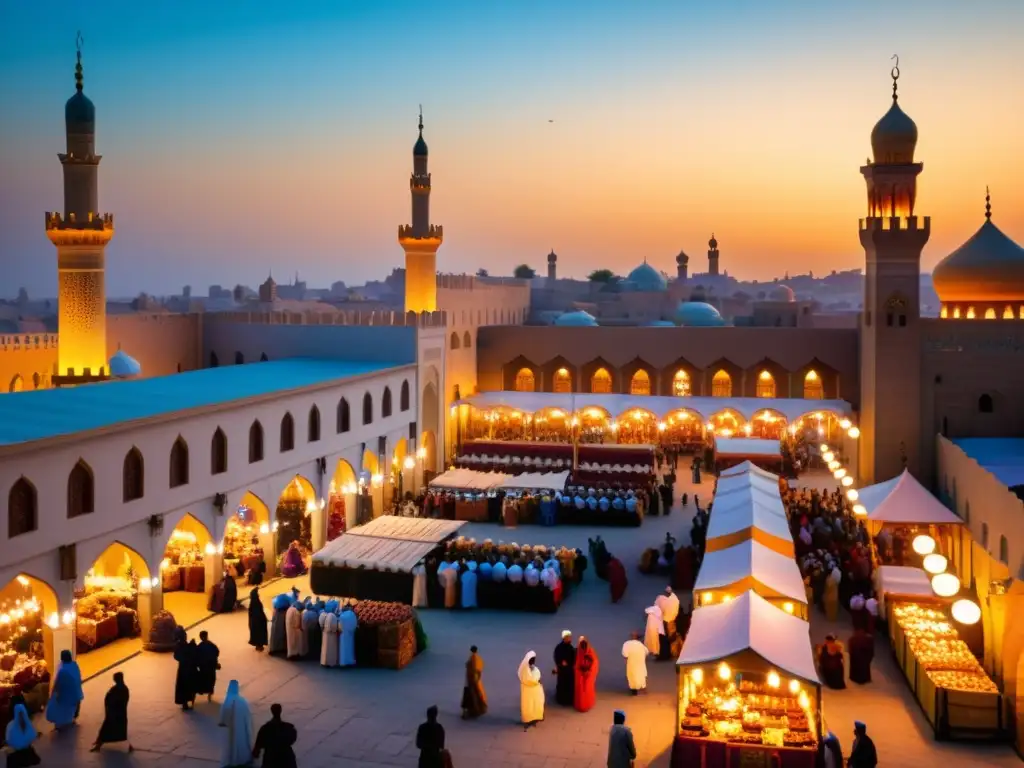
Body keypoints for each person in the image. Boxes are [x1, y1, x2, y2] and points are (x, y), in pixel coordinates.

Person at [91, 672, 132, 753]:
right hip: (121, 714)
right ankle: (99, 742)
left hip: (114, 714)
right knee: (121, 732)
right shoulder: (124, 688)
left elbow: (112, 700)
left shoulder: (117, 689)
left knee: (105, 730)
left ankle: (98, 745)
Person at [45, 649, 83, 729]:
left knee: (60, 705)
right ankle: (73, 719)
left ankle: (63, 722)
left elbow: (58, 684)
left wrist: (53, 693)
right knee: (74, 706)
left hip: (68, 695)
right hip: (77, 693)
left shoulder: (62, 670)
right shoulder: (74, 665)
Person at [219, 680, 253, 767]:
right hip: (241, 728)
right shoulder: (243, 701)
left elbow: (223, 718)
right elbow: (248, 716)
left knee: (229, 746)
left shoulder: (227, 701)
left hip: (229, 730)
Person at [252, 703, 297, 768]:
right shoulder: (289, 728)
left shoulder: (265, 729)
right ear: (280, 711)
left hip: (270, 759)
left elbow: (258, 747)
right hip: (287, 759)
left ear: (271, 711)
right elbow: (292, 739)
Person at [5, 701, 40, 767]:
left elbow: (8, 740)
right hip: (27, 751)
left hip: (16, 753)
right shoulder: (28, 723)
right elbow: (33, 735)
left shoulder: (10, 725)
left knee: (8, 753)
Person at [518, 651, 545, 729]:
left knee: (534, 704)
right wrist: (537, 681)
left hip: (532, 690)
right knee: (529, 705)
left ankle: (533, 719)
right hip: (529, 690)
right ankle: (529, 720)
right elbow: (530, 680)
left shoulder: (531, 668)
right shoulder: (525, 670)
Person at [174, 631, 199, 711]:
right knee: (188, 685)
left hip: (183, 668)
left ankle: (185, 701)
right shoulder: (183, 645)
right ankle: (188, 701)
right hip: (188, 668)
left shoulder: (179, 646)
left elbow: (177, 656)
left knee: (184, 686)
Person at [573, 636, 599, 713]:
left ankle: (586, 705)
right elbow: (577, 664)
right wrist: (581, 671)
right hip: (581, 674)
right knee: (581, 690)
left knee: (586, 689)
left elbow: (595, 663)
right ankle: (582, 705)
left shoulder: (590, 652)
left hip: (587, 675)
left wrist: (589, 672)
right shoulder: (579, 652)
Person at [461, 646, 487, 719]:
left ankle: (474, 710)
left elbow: (473, 668)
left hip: (472, 679)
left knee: (472, 694)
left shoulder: (473, 658)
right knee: (477, 693)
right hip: (476, 678)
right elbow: (480, 667)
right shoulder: (478, 658)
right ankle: (478, 709)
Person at [196, 630, 221, 702]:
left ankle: (205, 691)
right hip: (210, 666)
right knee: (211, 679)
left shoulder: (200, 646)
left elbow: (196, 655)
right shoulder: (211, 645)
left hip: (204, 666)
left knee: (205, 679)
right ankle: (210, 692)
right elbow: (217, 652)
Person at [553, 631, 577, 706]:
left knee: (569, 684)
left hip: (569, 670)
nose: (569, 639)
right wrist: (561, 662)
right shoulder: (559, 647)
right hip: (562, 670)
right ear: (564, 638)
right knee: (562, 684)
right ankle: (561, 700)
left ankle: (569, 700)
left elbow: (574, 658)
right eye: (568, 637)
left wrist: (570, 663)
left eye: (570, 637)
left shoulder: (571, 648)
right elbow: (556, 657)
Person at [248, 588, 269, 652]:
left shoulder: (252, 603)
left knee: (256, 634)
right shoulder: (257, 603)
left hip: (254, 622)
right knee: (259, 634)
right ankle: (259, 646)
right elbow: (259, 613)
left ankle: (258, 645)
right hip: (259, 622)